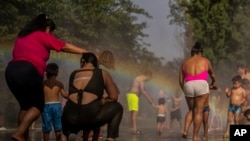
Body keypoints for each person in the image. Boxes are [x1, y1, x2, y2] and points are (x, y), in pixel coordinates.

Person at [4, 14, 88, 141]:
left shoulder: (22, 36)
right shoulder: (42, 35)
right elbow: (64, 46)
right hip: (28, 70)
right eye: (50, 30)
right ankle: (19, 134)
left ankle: (24, 137)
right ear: (46, 27)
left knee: (25, 106)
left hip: (11, 71)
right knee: (38, 106)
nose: (51, 33)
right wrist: (86, 52)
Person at [61, 52, 123, 141]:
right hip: (90, 115)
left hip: (70, 118)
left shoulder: (73, 74)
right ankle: (111, 138)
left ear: (83, 61)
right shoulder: (102, 73)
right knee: (118, 107)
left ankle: (70, 132)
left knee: (73, 113)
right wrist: (103, 101)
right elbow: (114, 97)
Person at [179, 41, 217, 141]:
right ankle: (195, 136)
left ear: (192, 53)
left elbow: (180, 80)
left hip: (188, 85)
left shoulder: (185, 63)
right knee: (199, 111)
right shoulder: (205, 61)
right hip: (201, 84)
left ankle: (185, 130)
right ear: (201, 52)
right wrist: (213, 82)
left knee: (191, 110)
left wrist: (185, 90)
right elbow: (212, 75)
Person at [42, 63, 68, 141]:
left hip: (46, 106)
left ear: (46, 73)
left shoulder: (43, 84)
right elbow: (65, 95)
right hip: (56, 106)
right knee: (58, 127)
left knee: (46, 128)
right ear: (57, 73)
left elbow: (38, 95)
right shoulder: (59, 84)